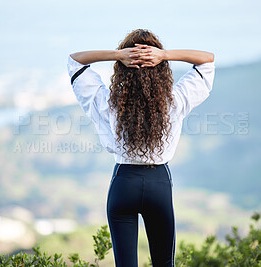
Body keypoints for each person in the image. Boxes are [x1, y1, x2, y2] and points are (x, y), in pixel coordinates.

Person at [67, 29, 215, 267]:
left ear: (122, 67)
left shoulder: (107, 103)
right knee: (164, 263)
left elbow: (75, 60)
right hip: (159, 183)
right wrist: (164, 54)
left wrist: (118, 55)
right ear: (160, 68)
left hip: (123, 184)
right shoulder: (173, 101)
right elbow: (207, 60)